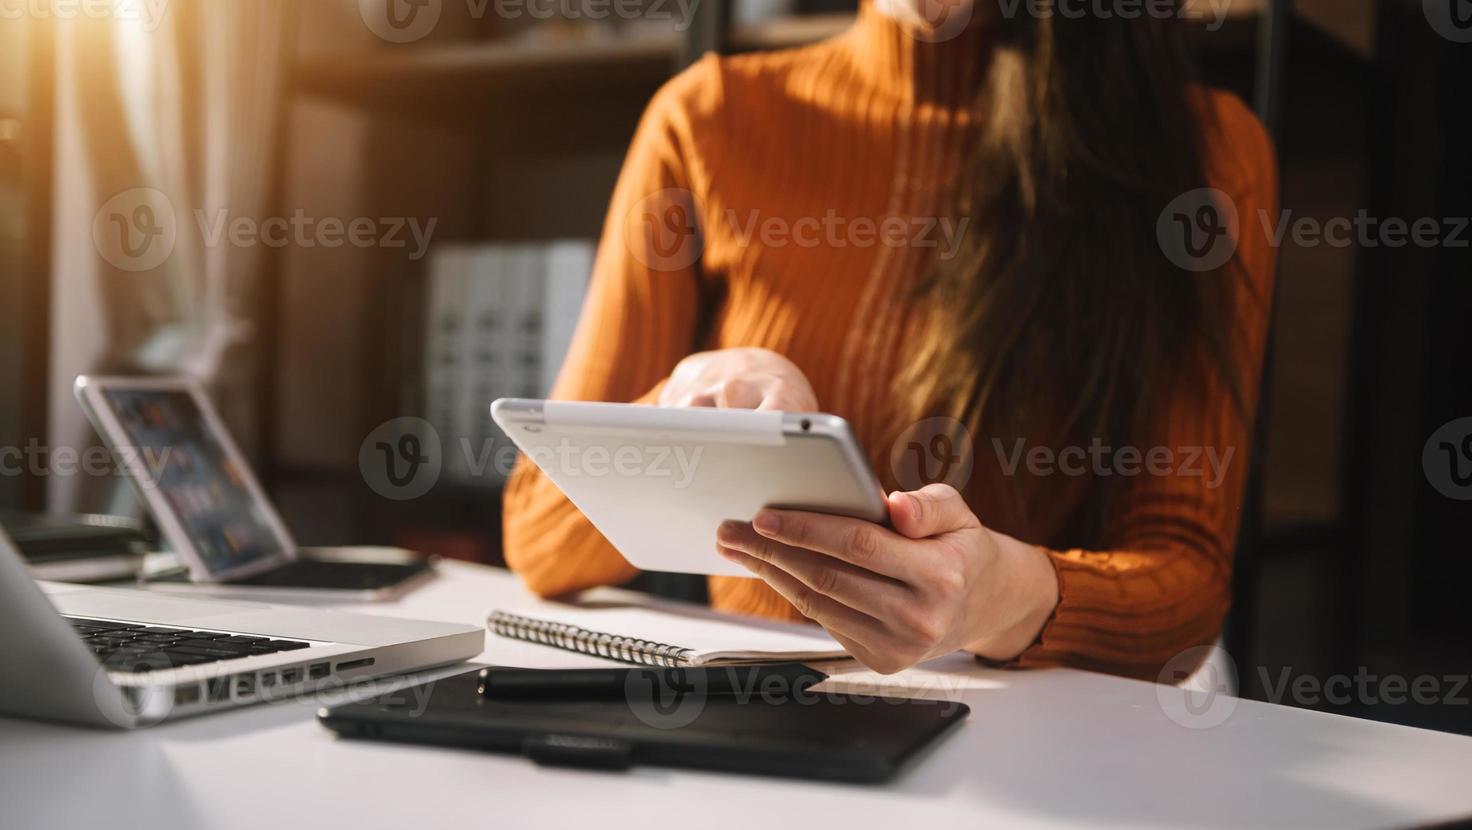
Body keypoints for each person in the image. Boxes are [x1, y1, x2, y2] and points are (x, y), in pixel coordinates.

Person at [504, 0, 1278, 680]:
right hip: (749, 734)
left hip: (1021, 752)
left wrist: (997, 597)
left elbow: (1185, 582)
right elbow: (537, 537)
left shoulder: (1206, 152)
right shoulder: (707, 117)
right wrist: (688, 404)